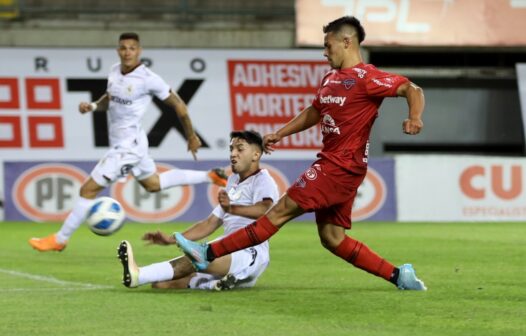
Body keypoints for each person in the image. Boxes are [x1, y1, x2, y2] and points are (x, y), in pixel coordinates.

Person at [175, 16, 427, 290]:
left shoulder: (367, 78)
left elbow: (411, 89)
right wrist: (281, 133)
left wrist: (414, 117)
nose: (324, 52)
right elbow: (315, 111)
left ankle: (207, 253)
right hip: (339, 167)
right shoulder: (331, 78)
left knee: (278, 211)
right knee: (333, 238)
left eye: (328, 45)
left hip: (339, 167)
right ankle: (399, 276)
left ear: (347, 42)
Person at [29, 32, 227, 252]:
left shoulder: (148, 78)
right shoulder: (114, 70)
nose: (127, 52)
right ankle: (210, 176)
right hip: (133, 142)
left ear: (139, 51)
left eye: (132, 48)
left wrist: (191, 135)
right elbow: (110, 98)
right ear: (118, 50)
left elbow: (179, 106)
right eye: (123, 48)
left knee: (87, 190)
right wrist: (94, 106)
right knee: (153, 184)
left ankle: (61, 239)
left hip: (128, 146)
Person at [118, 130, 278, 290]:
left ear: (256, 155)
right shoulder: (233, 181)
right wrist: (170, 240)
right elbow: (210, 223)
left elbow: (265, 210)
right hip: (225, 246)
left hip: (249, 251)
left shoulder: (263, 179)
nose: (233, 154)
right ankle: (213, 284)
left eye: (240, 149)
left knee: (198, 258)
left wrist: (231, 208)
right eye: (231, 149)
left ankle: (139, 274)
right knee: (161, 284)